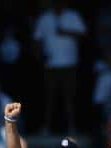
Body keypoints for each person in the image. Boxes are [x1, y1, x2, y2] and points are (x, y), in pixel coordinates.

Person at [33, 0, 87, 134]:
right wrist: (40, 57)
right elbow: (37, 39)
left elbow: (83, 34)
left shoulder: (73, 16)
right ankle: (46, 127)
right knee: (49, 98)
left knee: (69, 97)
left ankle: (72, 127)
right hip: (50, 65)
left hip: (69, 63)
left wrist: (66, 32)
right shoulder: (45, 18)